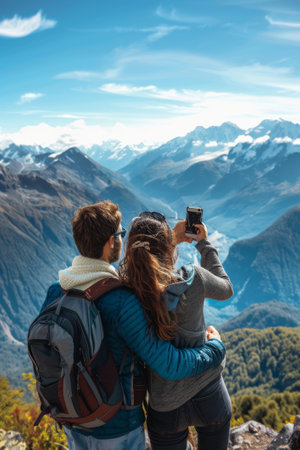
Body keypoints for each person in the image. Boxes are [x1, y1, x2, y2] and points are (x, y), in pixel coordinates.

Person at [42, 201, 226, 450]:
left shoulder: (56, 290)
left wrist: (170, 238)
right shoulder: (122, 301)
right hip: (117, 426)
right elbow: (169, 365)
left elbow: (143, 271)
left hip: (73, 418)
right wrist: (216, 349)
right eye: (120, 233)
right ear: (111, 242)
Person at [118, 211, 234, 450]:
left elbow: (144, 261)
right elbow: (226, 289)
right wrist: (204, 244)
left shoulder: (128, 292)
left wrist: (169, 238)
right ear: (165, 247)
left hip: (164, 405)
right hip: (210, 393)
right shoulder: (194, 279)